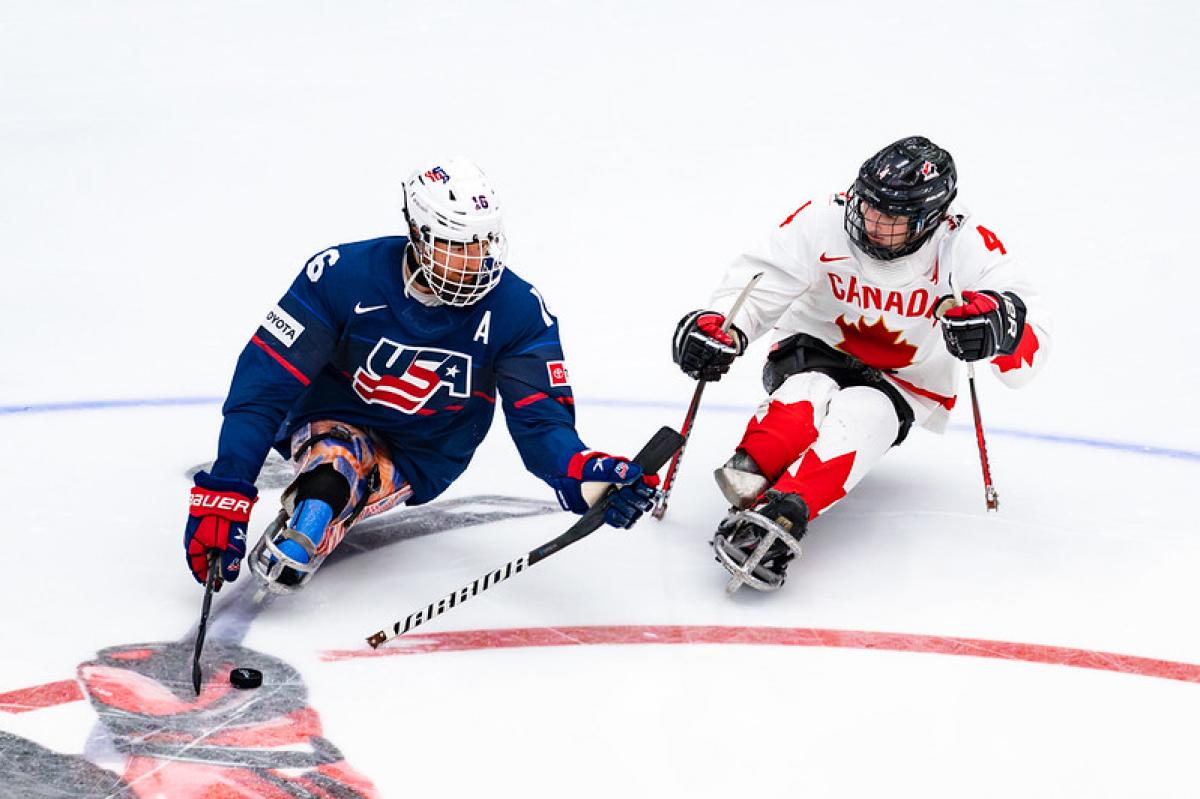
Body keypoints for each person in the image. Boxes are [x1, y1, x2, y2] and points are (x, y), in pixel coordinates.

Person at [185, 157, 659, 595]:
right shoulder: (339, 276)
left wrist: (584, 474)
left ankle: (325, 503)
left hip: (425, 451)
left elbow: (541, 425)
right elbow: (264, 386)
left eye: (484, 242)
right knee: (332, 472)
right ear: (418, 233)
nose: (476, 261)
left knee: (335, 480)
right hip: (328, 412)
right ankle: (322, 497)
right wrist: (226, 489)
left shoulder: (519, 311)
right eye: (457, 244)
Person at [672, 136, 1051, 592]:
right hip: (812, 348)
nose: (872, 220)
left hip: (903, 381)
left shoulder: (967, 245)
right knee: (804, 396)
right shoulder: (822, 219)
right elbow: (762, 279)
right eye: (869, 205)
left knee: (863, 416)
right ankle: (757, 465)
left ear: (932, 218)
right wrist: (724, 327)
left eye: (891, 216)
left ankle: (786, 512)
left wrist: (998, 327)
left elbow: (1029, 348)